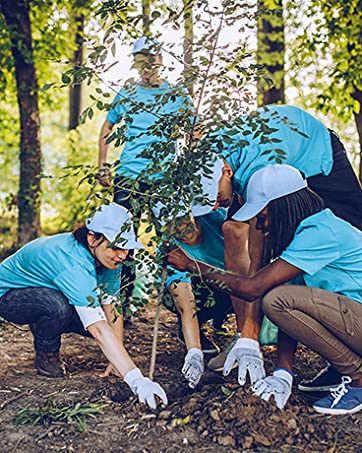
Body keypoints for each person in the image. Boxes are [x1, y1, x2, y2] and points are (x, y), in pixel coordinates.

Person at [168, 164, 362, 415]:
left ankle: (358, 381)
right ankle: (342, 369)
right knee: (281, 298)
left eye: (262, 215)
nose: (261, 224)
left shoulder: (320, 232)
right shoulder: (303, 236)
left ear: (284, 206)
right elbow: (291, 317)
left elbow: (253, 288)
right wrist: (283, 373)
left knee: (275, 298)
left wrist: (194, 267)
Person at [190, 104, 362, 386]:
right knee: (232, 228)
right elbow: (239, 237)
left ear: (226, 172)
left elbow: (259, 260)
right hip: (268, 158)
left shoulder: (264, 168)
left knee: (350, 232)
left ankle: (344, 361)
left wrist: (252, 333)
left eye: (215, 195)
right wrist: (273, 362)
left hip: (315, 153)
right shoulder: (210, 154)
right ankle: (243, 339)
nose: (215, 204)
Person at [0, 203, 167, 410]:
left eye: (126, 247)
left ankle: (46, 322)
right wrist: (136, 380)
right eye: (116, 246)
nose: (123, 254)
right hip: (9, 297)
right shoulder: (73, 263)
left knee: (89, 315)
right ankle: (47, 354)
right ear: (92, 238)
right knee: (57, 307)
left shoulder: (111, 260)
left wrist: (117, 362)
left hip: (45, 291)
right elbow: (97, 328)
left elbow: (112, 307)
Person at [98, 36, 193, 307]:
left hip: (165, 179)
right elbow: (107, 128)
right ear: (136, 63)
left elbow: (195, 131)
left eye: (153, 57)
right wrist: (103, 166)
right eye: (143, 59)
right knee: (121, 238)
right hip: (129, 176)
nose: (149, 63)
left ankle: (176, 305)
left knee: (172, 239)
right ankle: (119, 304)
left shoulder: (176, 95)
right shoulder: (128, 91)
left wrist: (189, 168)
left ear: (162, 60)